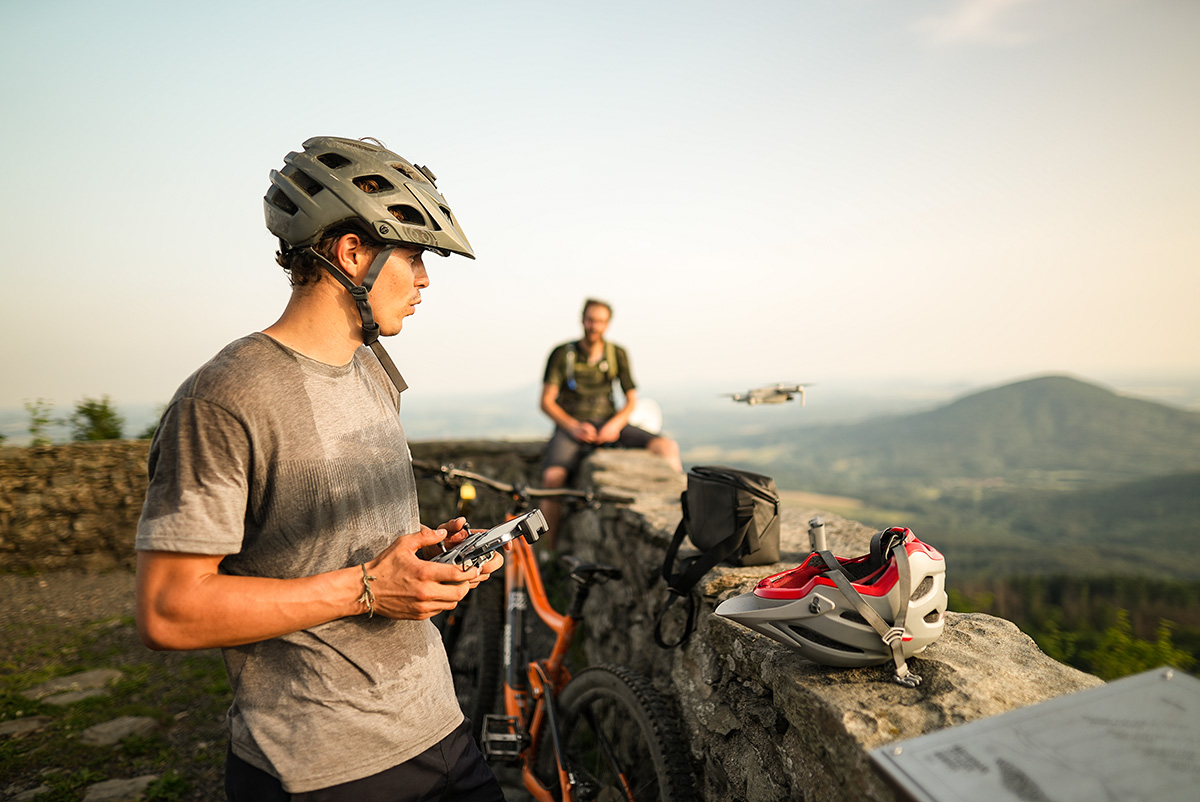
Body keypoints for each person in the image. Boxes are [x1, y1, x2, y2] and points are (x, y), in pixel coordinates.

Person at [134, 136, 506, 801]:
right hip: (322, 767)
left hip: (440, 731)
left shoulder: (373, 368)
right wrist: (367, 587)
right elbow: (169, 610)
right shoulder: (223, 397)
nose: (425, 280)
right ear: (352, 252)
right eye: (415, 255)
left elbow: (341, 537)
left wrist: (426, 555)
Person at [539, 299, 681, 545]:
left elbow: (630, 401)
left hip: (608, 421)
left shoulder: (617, 354)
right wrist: (573, 426)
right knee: (552, 479)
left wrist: (615, 425)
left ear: (607, 324)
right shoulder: (563, 354)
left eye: (600, 321)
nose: (594, 326)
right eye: (591, 320)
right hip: (573, 424)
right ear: (582, 320)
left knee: (667, 447)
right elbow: (547, 401)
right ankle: (547, 551)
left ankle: (680, 517)